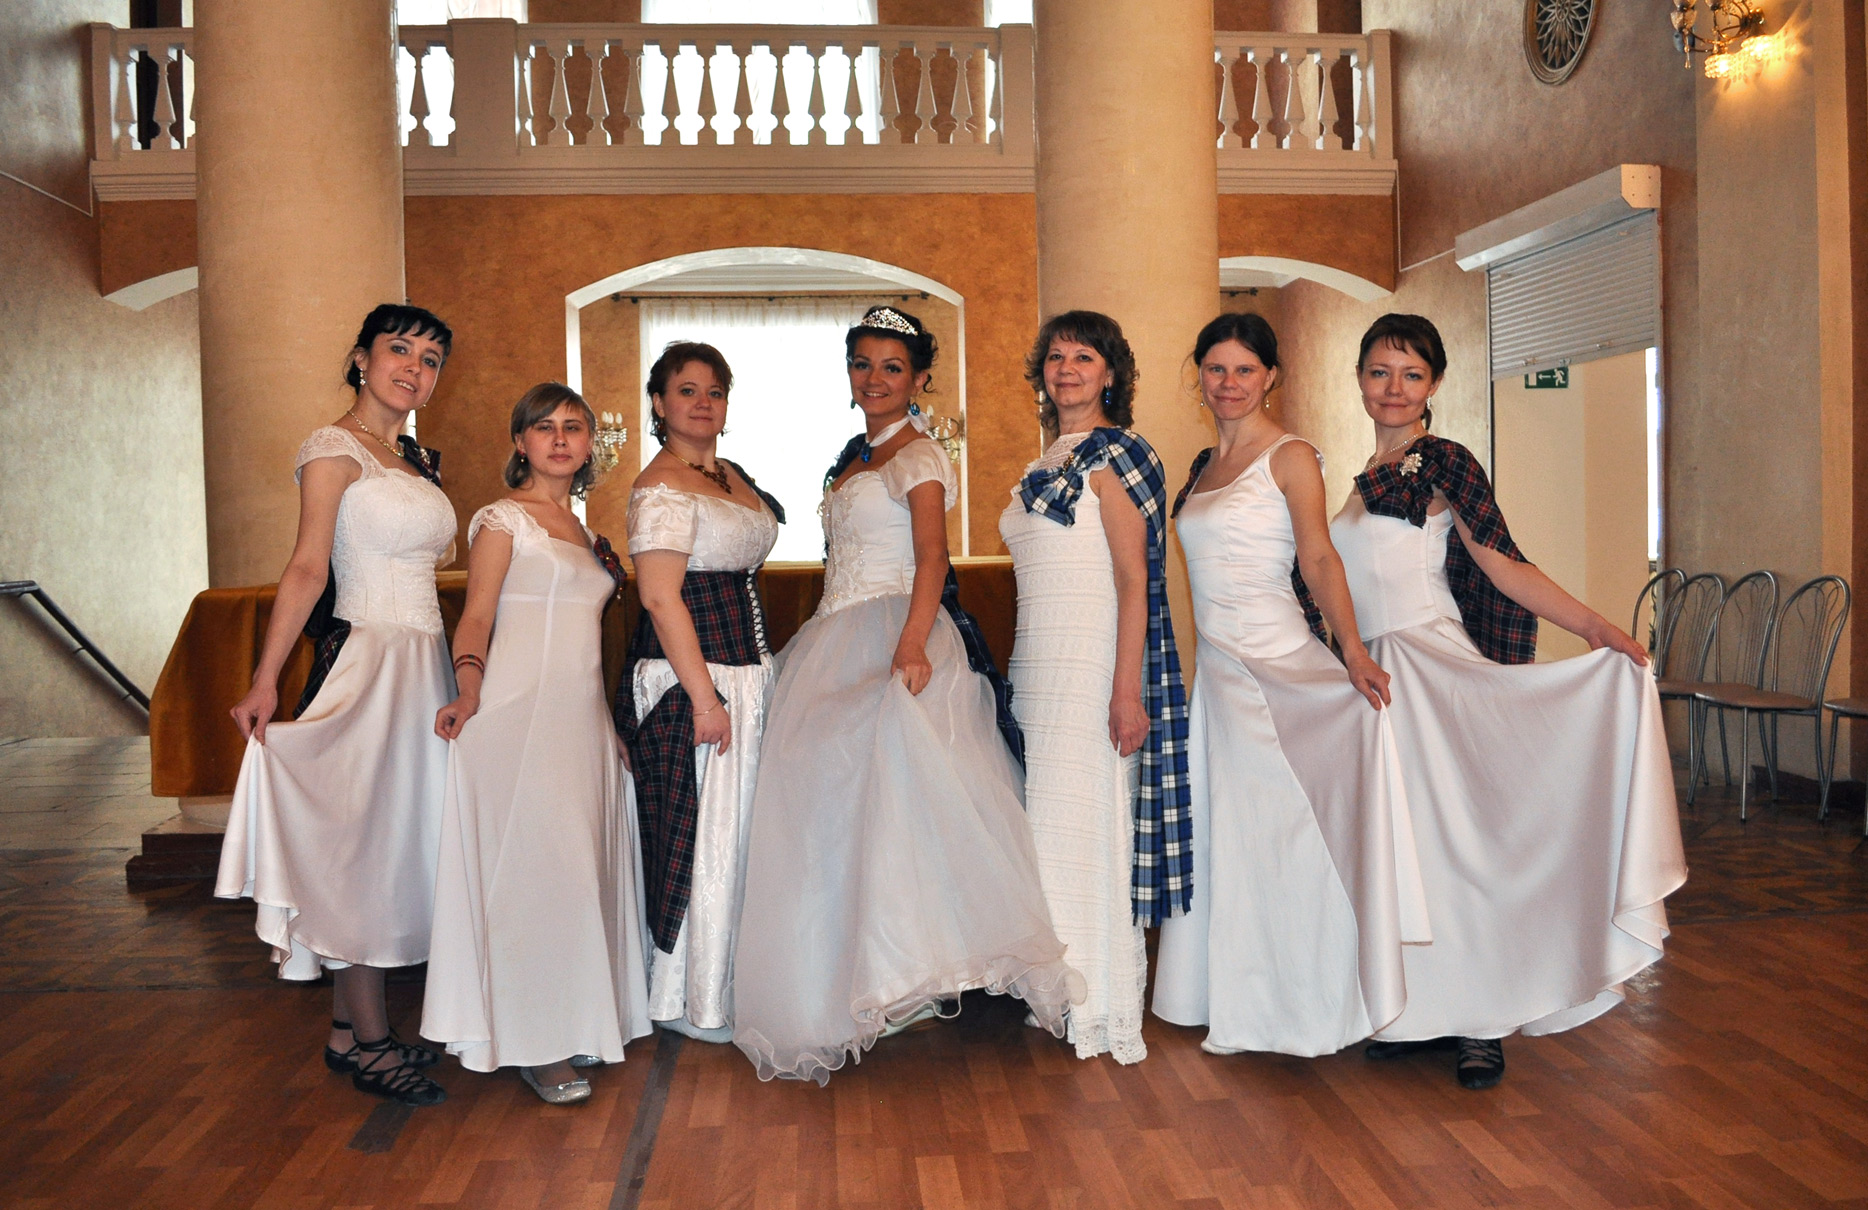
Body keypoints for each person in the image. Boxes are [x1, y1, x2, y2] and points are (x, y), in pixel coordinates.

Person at [1328, 313, 1687, 1089]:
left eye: (1411, 374)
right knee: (1411, 851)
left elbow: (1501, 562)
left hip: (1429, 668)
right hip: (1376, 678)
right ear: (1358, 379)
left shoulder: (1442, 461)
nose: (1394, 388)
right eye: (1380, 371)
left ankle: (1483, 1024)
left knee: (1467, 847)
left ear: (1434, 384)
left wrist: (1594, 627)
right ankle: (1423, 1010)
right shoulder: (1363, 476)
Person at [732, 305, 1082, 1085]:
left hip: (896, 627)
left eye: (892, 367)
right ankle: (847, 977)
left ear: (919, 378)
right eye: (863, 364)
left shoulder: (920, 454)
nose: (875, 378)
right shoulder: (854, 457)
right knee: (830, 805)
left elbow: (932, 558)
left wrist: (913, 644)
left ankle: (903, 973)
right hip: (834, 631)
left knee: (899, 798)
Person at [1150, 313, 1429, 1057]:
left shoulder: (1292, 455)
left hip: (1276, 663)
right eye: (1216, 369)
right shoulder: (1201, 466)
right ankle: (1239, 995)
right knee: (1237, 837)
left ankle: (1313, 1000)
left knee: (1287, 835)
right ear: (1200, 376)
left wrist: (1353, 653)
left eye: (1245, 369)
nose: (1229, 383)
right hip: (1220, 674)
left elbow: (1319, 559)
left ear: (1270, 376)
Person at [218, 303, 457, 1107]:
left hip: (422, 665)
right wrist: (266, 679)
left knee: (395, 839)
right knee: (362, 846)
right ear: (361, 358)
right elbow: (306, 569)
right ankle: (374, 1043)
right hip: (367, 662)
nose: (414, 369)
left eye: (430, 359)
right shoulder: (332, 449)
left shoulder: (413, 459)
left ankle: (347, 1031)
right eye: (400, 350)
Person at [421, 383, 653, 1104]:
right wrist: (467, 691)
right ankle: (534, 1043)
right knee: (535, 876)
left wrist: (606, 727)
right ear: (520, 442)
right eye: (544, 426)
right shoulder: (502, 520)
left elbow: (583, 644)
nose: (559, 438)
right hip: (515, 718)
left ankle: (574, 1017)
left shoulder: (584, 530)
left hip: (579, 726)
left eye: (573, 427)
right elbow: (476, 616)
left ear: (589, 446)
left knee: (576, 875)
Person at [1000, 310, 1190, 1065]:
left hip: (1091, 666)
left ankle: (1099, 1004)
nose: (1067, 369)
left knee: (1090, 825)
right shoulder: (1048, 456)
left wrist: (1125, 691)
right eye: (1056, 356)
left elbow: (1135, 580)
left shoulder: (1121, 454)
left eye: (1084, 356)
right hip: (1036, 665)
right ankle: (1054, 991)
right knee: (1045, 830)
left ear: (1111, 373)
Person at [615, 343, 783, 1044]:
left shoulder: (729, 474)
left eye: (715, 391)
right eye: (686, 390)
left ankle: (729, 983)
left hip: (748, 675)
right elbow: (660, 598)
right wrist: (706, 699)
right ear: (658, 403)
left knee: (740, 838)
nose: (703, 403)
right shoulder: (660, 487)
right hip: (693, 680)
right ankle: (687, 997)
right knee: (702, 840)